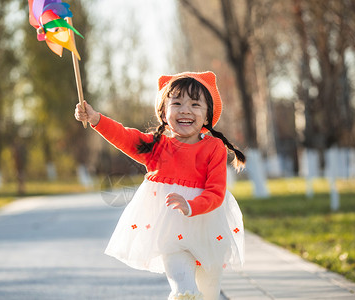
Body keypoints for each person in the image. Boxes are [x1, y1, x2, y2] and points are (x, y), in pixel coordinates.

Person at [74, 71, 245, 300]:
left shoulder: (213, 148)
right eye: (177, 103)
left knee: (209, 291)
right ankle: (182, 294)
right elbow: (125, 136)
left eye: (195, 104)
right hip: (169, 229)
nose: (185, 109)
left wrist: (191, 205)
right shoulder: (155, 146)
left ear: (207, 116)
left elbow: (216, 192)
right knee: (183, 284)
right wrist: (96, 119)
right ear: (164, 113)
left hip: (207, 226)